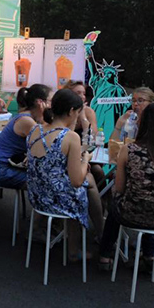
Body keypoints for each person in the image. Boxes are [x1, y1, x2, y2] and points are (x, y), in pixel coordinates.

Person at [98, 103, 154, 272]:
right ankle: (149, 255)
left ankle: (105, 254)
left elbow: (119, 188)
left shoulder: (129, 150)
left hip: (130, 215)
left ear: (142, 123)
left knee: (117, 203)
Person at [22, 89, 104, 256]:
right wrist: (85, 159)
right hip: (56, 201)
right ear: (72, 111)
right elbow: (76, 181)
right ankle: (75, 249)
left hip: (37, 197)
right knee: (83, 187)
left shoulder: (35, 130)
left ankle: (67, 238)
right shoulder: (71, 137)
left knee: (83, 184)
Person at [0, 84, 52, 189]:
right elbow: (46, 143)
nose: (52, 105)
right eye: (50, 101)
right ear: (40, 103)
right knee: (45, 182)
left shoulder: (29, 117)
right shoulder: (27, 120)